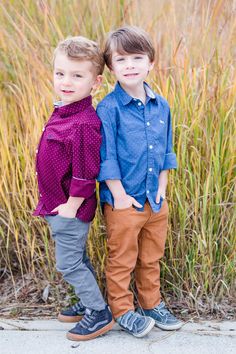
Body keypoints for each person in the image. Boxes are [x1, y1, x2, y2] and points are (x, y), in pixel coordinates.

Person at [97, 26, 183, 337]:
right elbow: (106, 158)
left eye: (137, 57)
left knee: (151, 257)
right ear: (111, 67)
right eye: (121, 59)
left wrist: (162, 187)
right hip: (124, 201)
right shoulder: (108, 109)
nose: (130, 65)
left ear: (151, 63)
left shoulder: (163, 106)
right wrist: (118, 196)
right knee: (122, 259)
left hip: (155, 199)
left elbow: (166, 151)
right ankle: (123, 310)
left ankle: (151, 303)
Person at [33, 36, 114, 341]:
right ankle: (87, 298)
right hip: (58, 203)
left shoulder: (83, 122)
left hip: (70, 208)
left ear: (95, 83)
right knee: (79, 258)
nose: (66, 82)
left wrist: (70, 205)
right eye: (60, 73)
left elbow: (86, 172)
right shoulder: (65, 111)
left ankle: (98, 312)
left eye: (77, 76)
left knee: (68, 263)